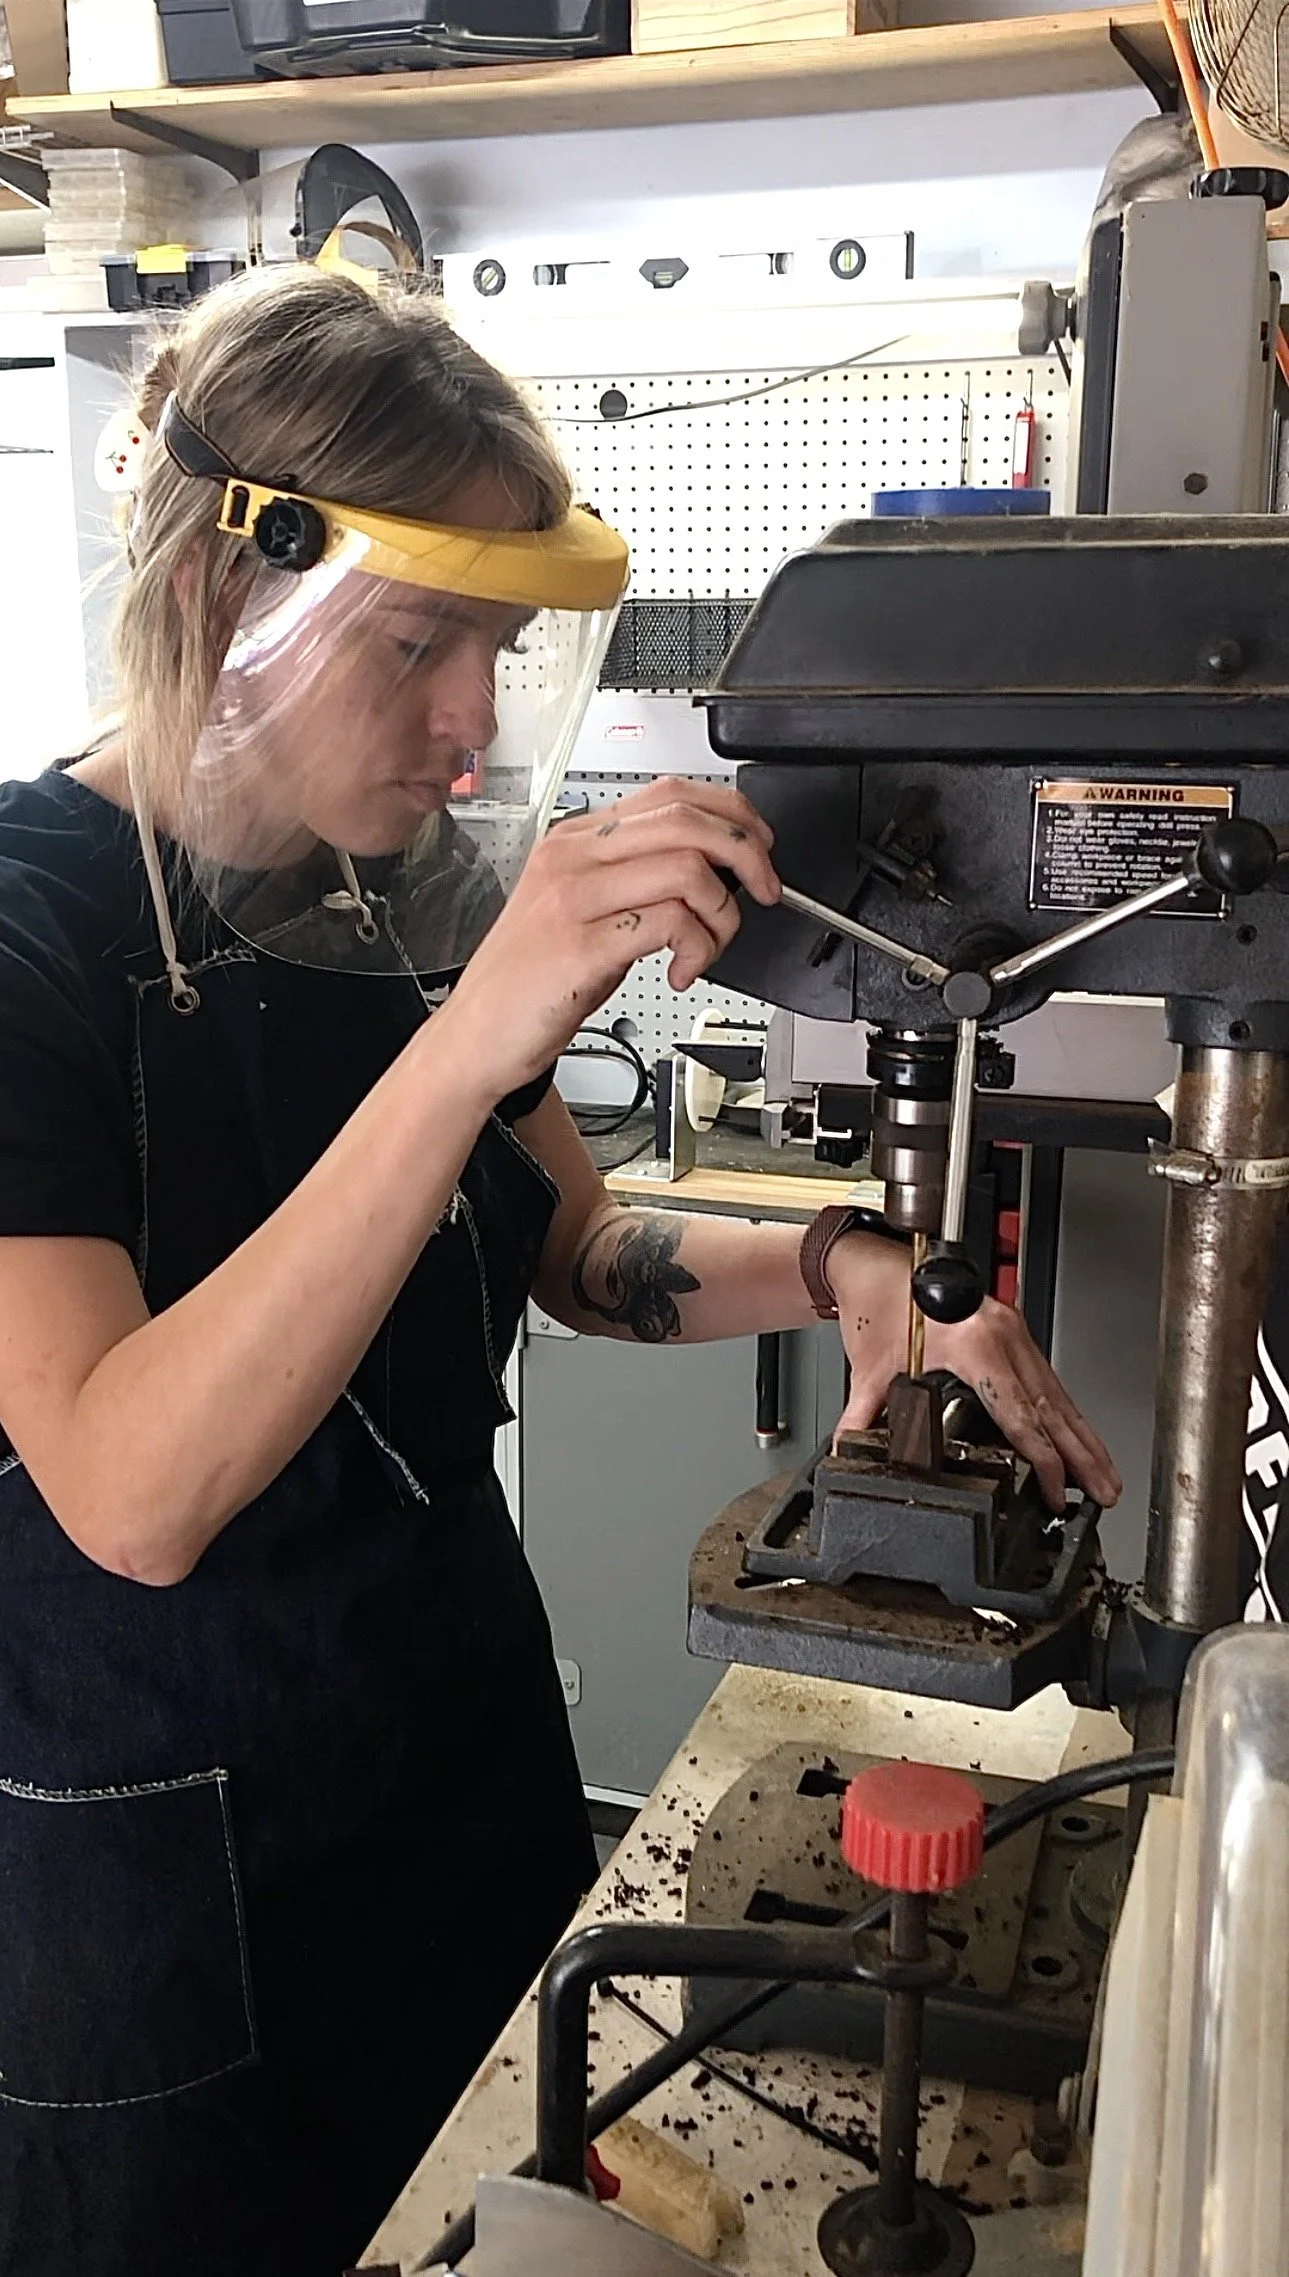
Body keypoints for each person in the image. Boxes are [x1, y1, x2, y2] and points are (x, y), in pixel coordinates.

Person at [0, 263, 1119, 2277]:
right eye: (420, 643)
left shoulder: (392, 892)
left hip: (460, 1797)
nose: (467, 724)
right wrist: (470, 1028)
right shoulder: (27, 946)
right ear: (212, 597)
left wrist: (852, 1261)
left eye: (496, 655)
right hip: (175, 1915)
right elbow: (126, 1487)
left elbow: (582, 1248)